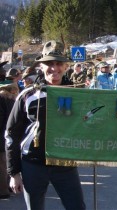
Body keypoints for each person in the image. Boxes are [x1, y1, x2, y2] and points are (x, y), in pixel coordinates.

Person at [5, 40, 86, 210]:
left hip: (65, 163)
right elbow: (11, 134)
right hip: (33, 164)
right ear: (41, 66)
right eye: (49, 63)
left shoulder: (78, 95)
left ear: (65, 66)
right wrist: (14, 173)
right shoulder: (27, 96)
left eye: (59, 63)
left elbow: (89, 125)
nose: (54, 68)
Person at [0, 65, 19, 200]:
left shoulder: (2, 100)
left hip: (2, 135)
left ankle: (3, 191)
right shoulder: (14, 100)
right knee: (6, 163)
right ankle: (8, 187)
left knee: (2, 165)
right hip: (10, 135)